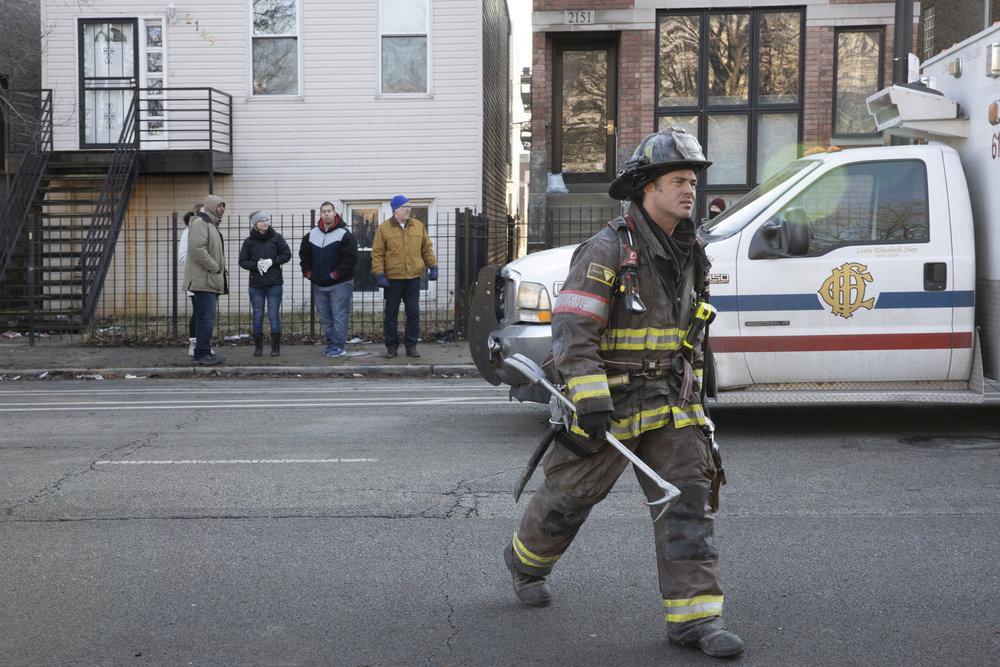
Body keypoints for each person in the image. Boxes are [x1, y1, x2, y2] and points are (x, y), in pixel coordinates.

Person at [502, 129, 744, 659]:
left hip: (667, 402)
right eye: (679, 180)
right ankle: (524, 562)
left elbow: (692, 332)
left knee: (688, 503)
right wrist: (588, 400)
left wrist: (696, 394)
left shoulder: (691, 250)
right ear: (646, 189)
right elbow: (572, 332)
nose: (690, 191)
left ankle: (695, 618)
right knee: (568, 502)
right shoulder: (606, 249)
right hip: (606, 405)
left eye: (693, 181)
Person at [371, 195, 438, 358]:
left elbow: (426, 249)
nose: (409, 209)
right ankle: (392, 347)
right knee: (391, 314)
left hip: (413, 279)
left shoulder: (418, 226)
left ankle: (411, 346)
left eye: (409, 206)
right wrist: (379, 274)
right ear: (395, 209)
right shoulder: (383, 229)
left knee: (413, 312)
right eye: (405, 207)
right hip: (392, 280)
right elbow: (377, 254)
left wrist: (433, 266)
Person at [299, 201, 358, 357]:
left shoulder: (344, 234)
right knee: (325, 316)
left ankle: (339, 346)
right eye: (323, 211)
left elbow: (350, 259)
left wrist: (335, 274)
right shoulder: (311, 235)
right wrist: (308, 273)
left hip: (340, 283)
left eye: (329, 211)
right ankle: (331, 344)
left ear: (334, 213)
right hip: (319, 284)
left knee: (339, 315)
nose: (326, 213)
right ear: (320, 214)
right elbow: (304, 256)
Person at [182, 194, 228, 365]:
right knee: (205, 318)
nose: (222, 209)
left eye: (223, 206)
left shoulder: (211, 225)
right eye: (219, 206)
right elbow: (197, 249)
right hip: (204, 281)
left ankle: (204, 351)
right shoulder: (201, 224)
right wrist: (215, 267)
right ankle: (201, 353)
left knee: (206, 318)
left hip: (209, 280)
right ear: (210, 207)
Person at [239, 211, 291, 357]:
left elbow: (287, 255)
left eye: (266, 220)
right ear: (255, 224)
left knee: (273, 314)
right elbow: (242, 261)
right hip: (256, 285)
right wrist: (256, 265)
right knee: (257, 314)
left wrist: (272, 262)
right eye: (261, 221)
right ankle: (258, 347)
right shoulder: (249, 241)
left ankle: (275, 347)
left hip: (274, 283)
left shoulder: (276, 238)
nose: (265, 223)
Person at [179, 202, 206, 357]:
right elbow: (183, 256)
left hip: (210, 279)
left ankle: (204, 344)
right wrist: (203, 260)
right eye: (202, 213)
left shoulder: (210, 229)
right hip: (195, 279)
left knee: (207, 314)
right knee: (198, 312)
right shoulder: (188, 231)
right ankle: (194, 343)